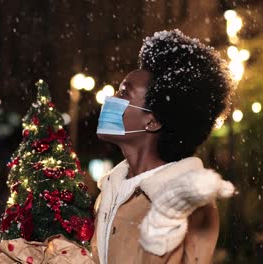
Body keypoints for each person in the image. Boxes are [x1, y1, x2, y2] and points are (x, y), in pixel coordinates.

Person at [90, 30, 236, 264]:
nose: (112, 100)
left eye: (124, 93)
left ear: (153, 121)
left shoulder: (186, 202)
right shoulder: (112, 188)